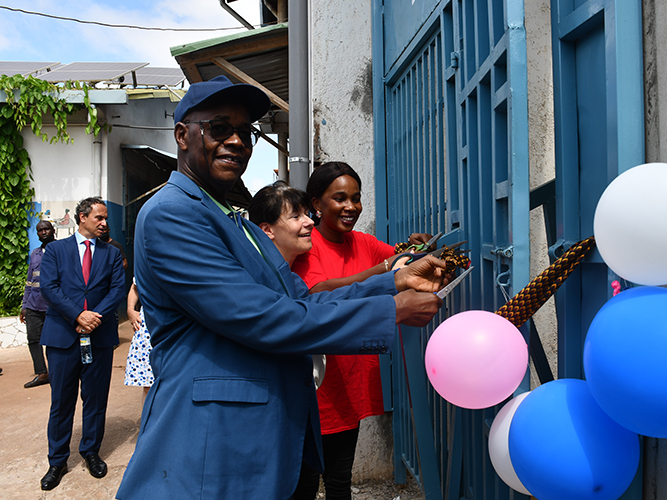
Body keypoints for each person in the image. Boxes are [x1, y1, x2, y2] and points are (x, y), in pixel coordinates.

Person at [115, 75, 445, 500]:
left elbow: (301, 300)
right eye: (219, 128)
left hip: (260, 433)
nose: (236, 141)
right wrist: (392, 310)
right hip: (212, 446)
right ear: (182, 135)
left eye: (245, 132)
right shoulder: (172, 215)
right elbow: (263, 317)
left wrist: (392, 282)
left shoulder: (234, 220)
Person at [291, 162, 428, 500]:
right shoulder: (306, 246)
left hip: (349, 380)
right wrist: (385, 271)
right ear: (316, 204)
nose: (351, 207)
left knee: (340, 479)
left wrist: (416, 249)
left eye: (356, 198)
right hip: (315, 384)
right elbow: (318, 293)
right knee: (304, 482)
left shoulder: (363, 243)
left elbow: (399, 260)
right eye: (339, 198)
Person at [38, 197, 126, 491]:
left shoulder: (111, 254)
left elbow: (117, 289)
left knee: (95, 398)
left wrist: (93, 317)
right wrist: (77, 315)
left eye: (105, 219)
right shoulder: (56, 250)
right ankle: (57, 460)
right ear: (82, 217)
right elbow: (49, 288)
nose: (104, 223)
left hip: (98, 337)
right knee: (61, 402)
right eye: (99, 217)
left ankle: (91, 451)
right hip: (63, 337)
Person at [20, 220, 55, 388]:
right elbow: (29, 282)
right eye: (40, 230)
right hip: (34, 305)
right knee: (33, 339)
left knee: (54, 341)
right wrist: (24, 305)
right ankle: (42, 373)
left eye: (46, 229)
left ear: (53, 230)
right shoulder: (35, 253)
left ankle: (57, 372)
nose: (43, 232)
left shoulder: (61, 249)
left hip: (53, 306)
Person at [123, 279, 152, 404]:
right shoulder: (149, 261)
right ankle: (148, 422)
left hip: (176, 325)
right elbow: (134, 287)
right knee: (149, 384)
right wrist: (130, 310)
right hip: (148, 329)